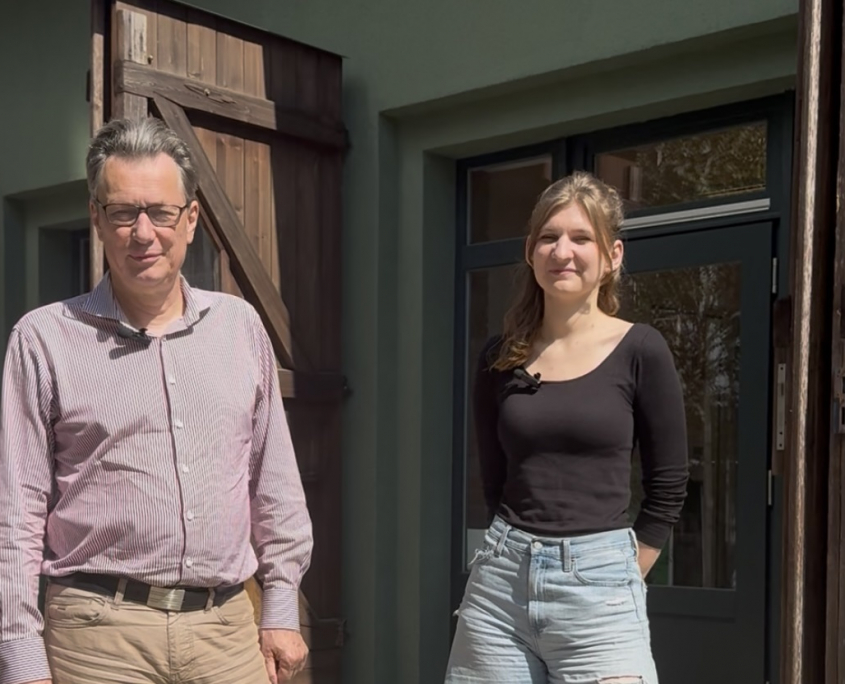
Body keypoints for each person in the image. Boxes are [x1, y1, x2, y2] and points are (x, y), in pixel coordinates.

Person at [0, 117, 312, 684]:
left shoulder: (239, 327)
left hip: (226, 633)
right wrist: (20, 656)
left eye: (161, 212)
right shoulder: (43, 339)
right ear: (97, 218)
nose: (143, 233)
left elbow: (274, 480)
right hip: (97, 640)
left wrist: (282, 606)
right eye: (123, 212)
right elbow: (15, 512)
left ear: (190, 219)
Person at [445, 172, 689, 683]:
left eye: (581, 238)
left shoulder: (641, 350)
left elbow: (668, 486)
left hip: (601, 591)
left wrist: (616, 573)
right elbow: (494, 480)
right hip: (500, 591)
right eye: (549, 237)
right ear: (530, 252)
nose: (563, 251)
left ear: (612, 256)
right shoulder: (499, 357)